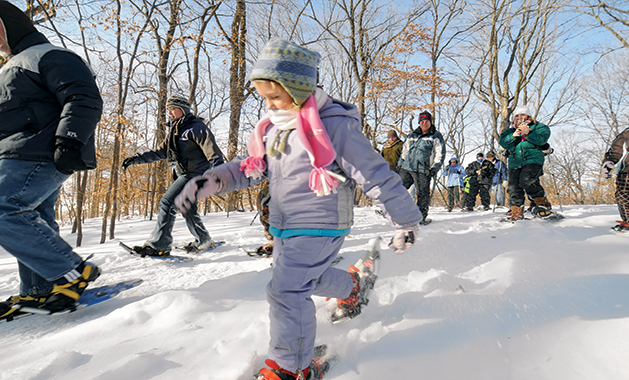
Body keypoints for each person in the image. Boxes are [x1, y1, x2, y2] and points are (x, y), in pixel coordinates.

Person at [175, 38, 421, 380]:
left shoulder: (334, 125)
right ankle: (351, 287)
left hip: (322, 223)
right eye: (264, 97)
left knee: (286, 289)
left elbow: (373, 171)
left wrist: (405, 219)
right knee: (304, 278)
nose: (270, 104)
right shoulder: (273, 128)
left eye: (276, 95)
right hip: (285, 225)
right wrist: (211, 181)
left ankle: (292, 368)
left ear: (300, 88)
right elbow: (248, 168)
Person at [0, 2, 103, 320]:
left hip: (40, 152)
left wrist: (70, 140)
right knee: (36, 220)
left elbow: (83, 96)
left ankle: (71, 272)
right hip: (19, 153)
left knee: (4, 208)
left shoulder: (47, 55)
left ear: (8, 24)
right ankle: (42, 289)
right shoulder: (12, 66)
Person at [122, 94, 225, 255]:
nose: (169, 113)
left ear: (183, 110)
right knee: (187, 208)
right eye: (168, 109)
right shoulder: (175, 131)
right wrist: (135, 159)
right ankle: (203, 240)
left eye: (173, 109)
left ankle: (159, 246)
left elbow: (213, 152)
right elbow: (160, 152)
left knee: (167, 203)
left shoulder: (196, 128)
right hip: (186, 174)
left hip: (196, 175)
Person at [499, 105, 552, 221]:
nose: (520, 118)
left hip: (533, 159)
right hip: (514, 161)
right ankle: (516, 211)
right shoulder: (510, 131)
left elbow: (542, 139)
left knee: (527, 181)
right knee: (513, 187)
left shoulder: (539, 127)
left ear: (529, 116)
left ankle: (542, 203)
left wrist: (529, 133)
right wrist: (513, 136)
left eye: (523, 115)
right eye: (517, 115)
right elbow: (503, 143)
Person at [398, 111, 446, 224]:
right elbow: (405, 150)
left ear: (430, 122)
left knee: (423, 194)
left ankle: (420, 218)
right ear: (419, 122)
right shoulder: (412, 135)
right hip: (407, 167)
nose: (424, 124)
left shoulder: (435, 135)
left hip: (423, 169)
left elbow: (440, 153)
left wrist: (434, 168)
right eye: (422, 121)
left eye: (427, 121)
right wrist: (401, 163)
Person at [601, 128, 629, 231]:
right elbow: (616, 149)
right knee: (622, 197)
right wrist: (609, 161)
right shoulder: (627, 133)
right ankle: (627, 221)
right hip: (626, 171)